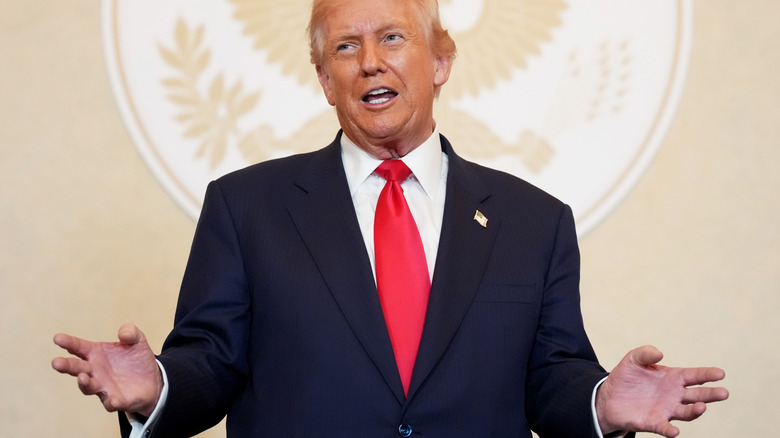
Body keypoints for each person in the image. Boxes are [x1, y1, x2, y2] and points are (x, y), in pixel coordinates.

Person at [52, 0, 728, 437]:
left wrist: (600, 404)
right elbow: (212, 363)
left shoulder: (535, 221)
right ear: (324, 80)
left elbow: (549, 378)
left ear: (440, 61)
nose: (370, 60)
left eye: (393, 37)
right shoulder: (245, 206)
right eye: (345, 47)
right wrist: (157, 388)